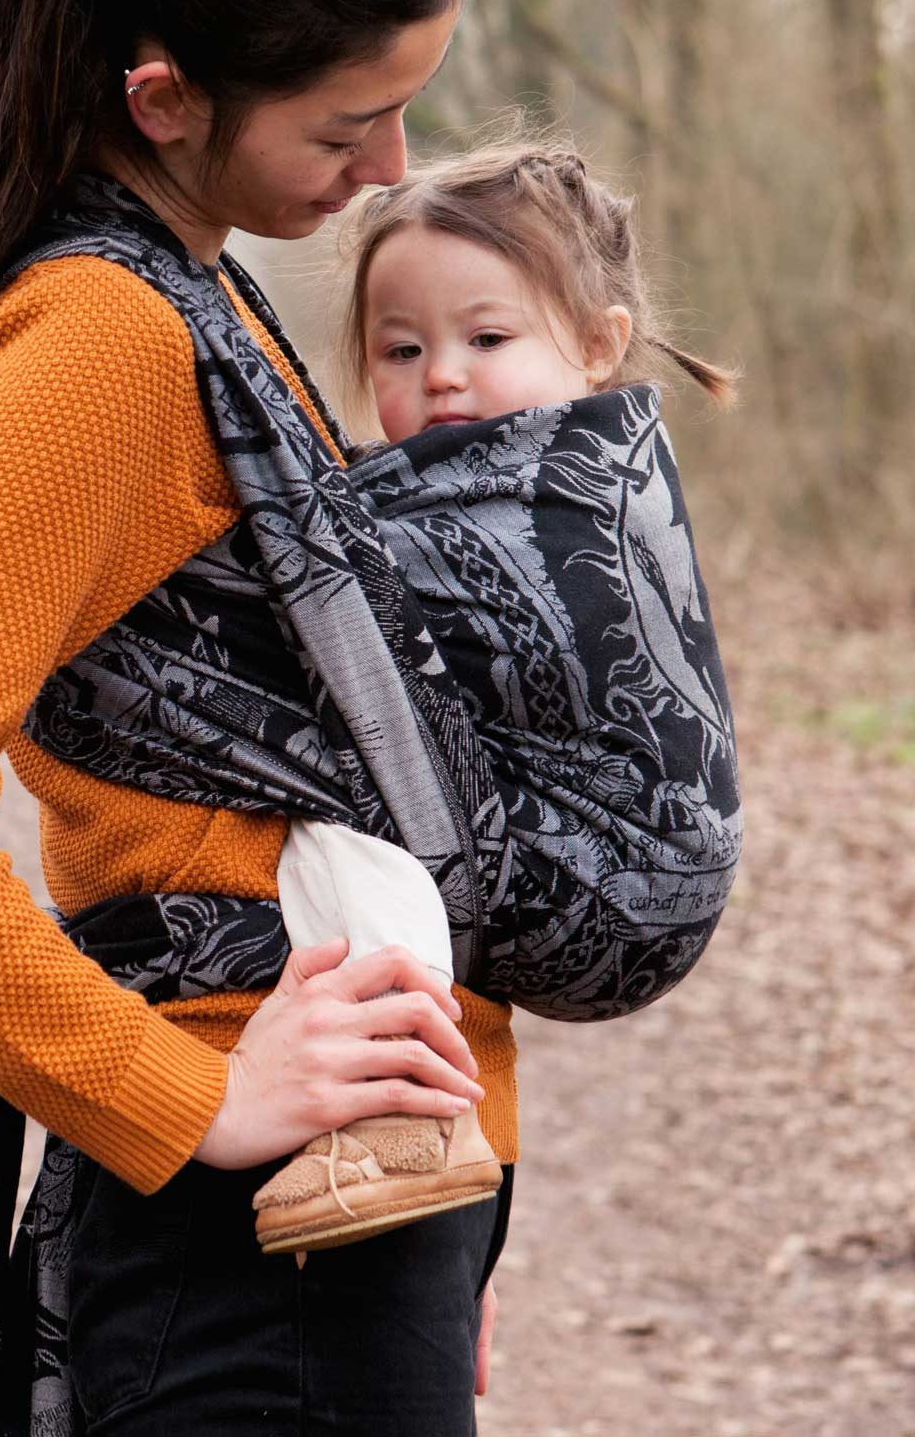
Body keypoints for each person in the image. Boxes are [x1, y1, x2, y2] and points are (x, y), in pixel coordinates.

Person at [0, 0, 515, 1436]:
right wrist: (198, 1093)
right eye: (344, 122)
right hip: (254, 1231)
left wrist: (448, 1205)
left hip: (343, 1202)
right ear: (166, 98)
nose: (390, 165)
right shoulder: (106, 338)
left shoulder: (199, 298)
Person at [246, 139, 742, 1250]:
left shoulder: (558, 494)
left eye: (487, 338)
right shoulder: (509, 469)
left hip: (618, 870)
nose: (443, 377)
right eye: (401, 348)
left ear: (600, 346)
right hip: (605, 857)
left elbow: (322, 582)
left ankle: (398, 1127)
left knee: (345, 843)